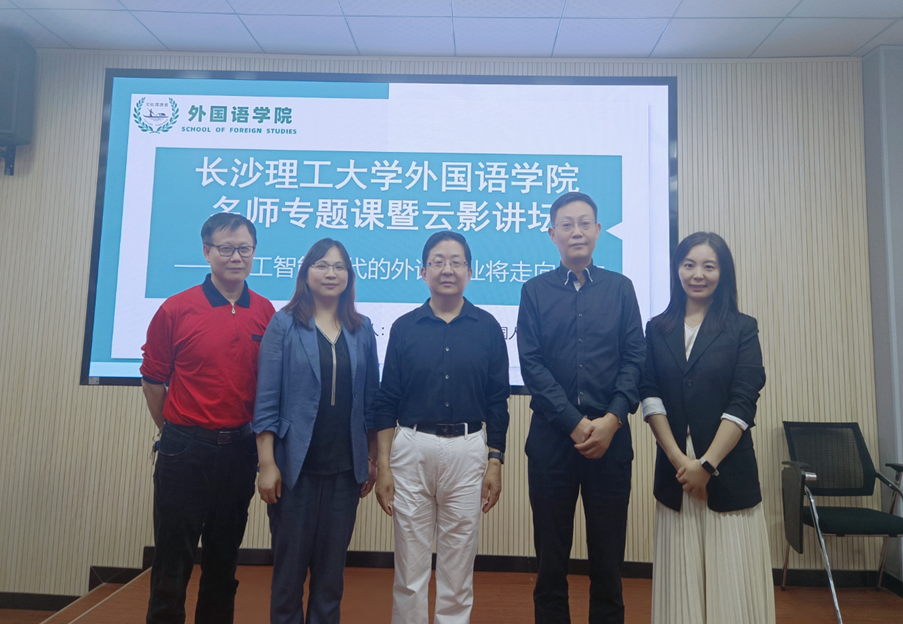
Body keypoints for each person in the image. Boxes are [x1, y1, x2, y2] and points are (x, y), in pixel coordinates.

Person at [517, 191, 645, 624]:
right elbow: (532, 365)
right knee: (550, 561)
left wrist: (612, 419)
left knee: (608, 561)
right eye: (567, 224)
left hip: (611, 442)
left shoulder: (621, 289)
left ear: (598, 230)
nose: (576, 231)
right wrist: (573, 423)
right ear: (552, 233)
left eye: (584, 223)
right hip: (552, 443)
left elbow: (635, 358)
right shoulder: (534, 291)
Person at [141, 213, 275, 624]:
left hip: (239, 450)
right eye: (226, 248)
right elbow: (153, 379)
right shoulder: (176, 308)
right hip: (185, 449)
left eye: (244, 249)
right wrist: (173, 430)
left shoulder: (266, 311)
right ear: (206, 252)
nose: (236, 257)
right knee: (172, 561)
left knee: (223, 562)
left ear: (254, 252)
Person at [374, 231, 510, 624]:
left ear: (471, 271)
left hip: (469, 449)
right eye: (437, 261)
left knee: (457, 568)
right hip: (411, 448)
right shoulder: (404, 327)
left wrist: (495, 461)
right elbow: (387, 400)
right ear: (423, 271)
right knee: (410, 569)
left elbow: (497, 401)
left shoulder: (488, 327)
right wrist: (383, 466)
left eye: (456, 261)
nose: (447, 269)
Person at [640, 232, 774, 624]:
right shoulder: (657, 328)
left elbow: (743, 401)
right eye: (689, 265)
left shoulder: (742, 327)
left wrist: (707, 465)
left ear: (723, 273)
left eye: (708, 266)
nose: (697, 274)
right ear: (677, 270)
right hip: (676, 474)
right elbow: (650, 395)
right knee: (680, 580)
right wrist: (681, 461)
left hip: (727, 472)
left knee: (729, 579)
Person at [253, 238, 380, 624]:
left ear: (349, 276)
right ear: (306, 273)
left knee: (330, 578)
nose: (331, 273)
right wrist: (266, 463)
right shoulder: (285, 323)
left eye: (339, 267)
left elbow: (370, 402)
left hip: (345, 470)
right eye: (322, 265)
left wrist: (372, 458)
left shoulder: (362, 328)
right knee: (288, 576)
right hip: (295, 469)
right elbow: (267, 400)